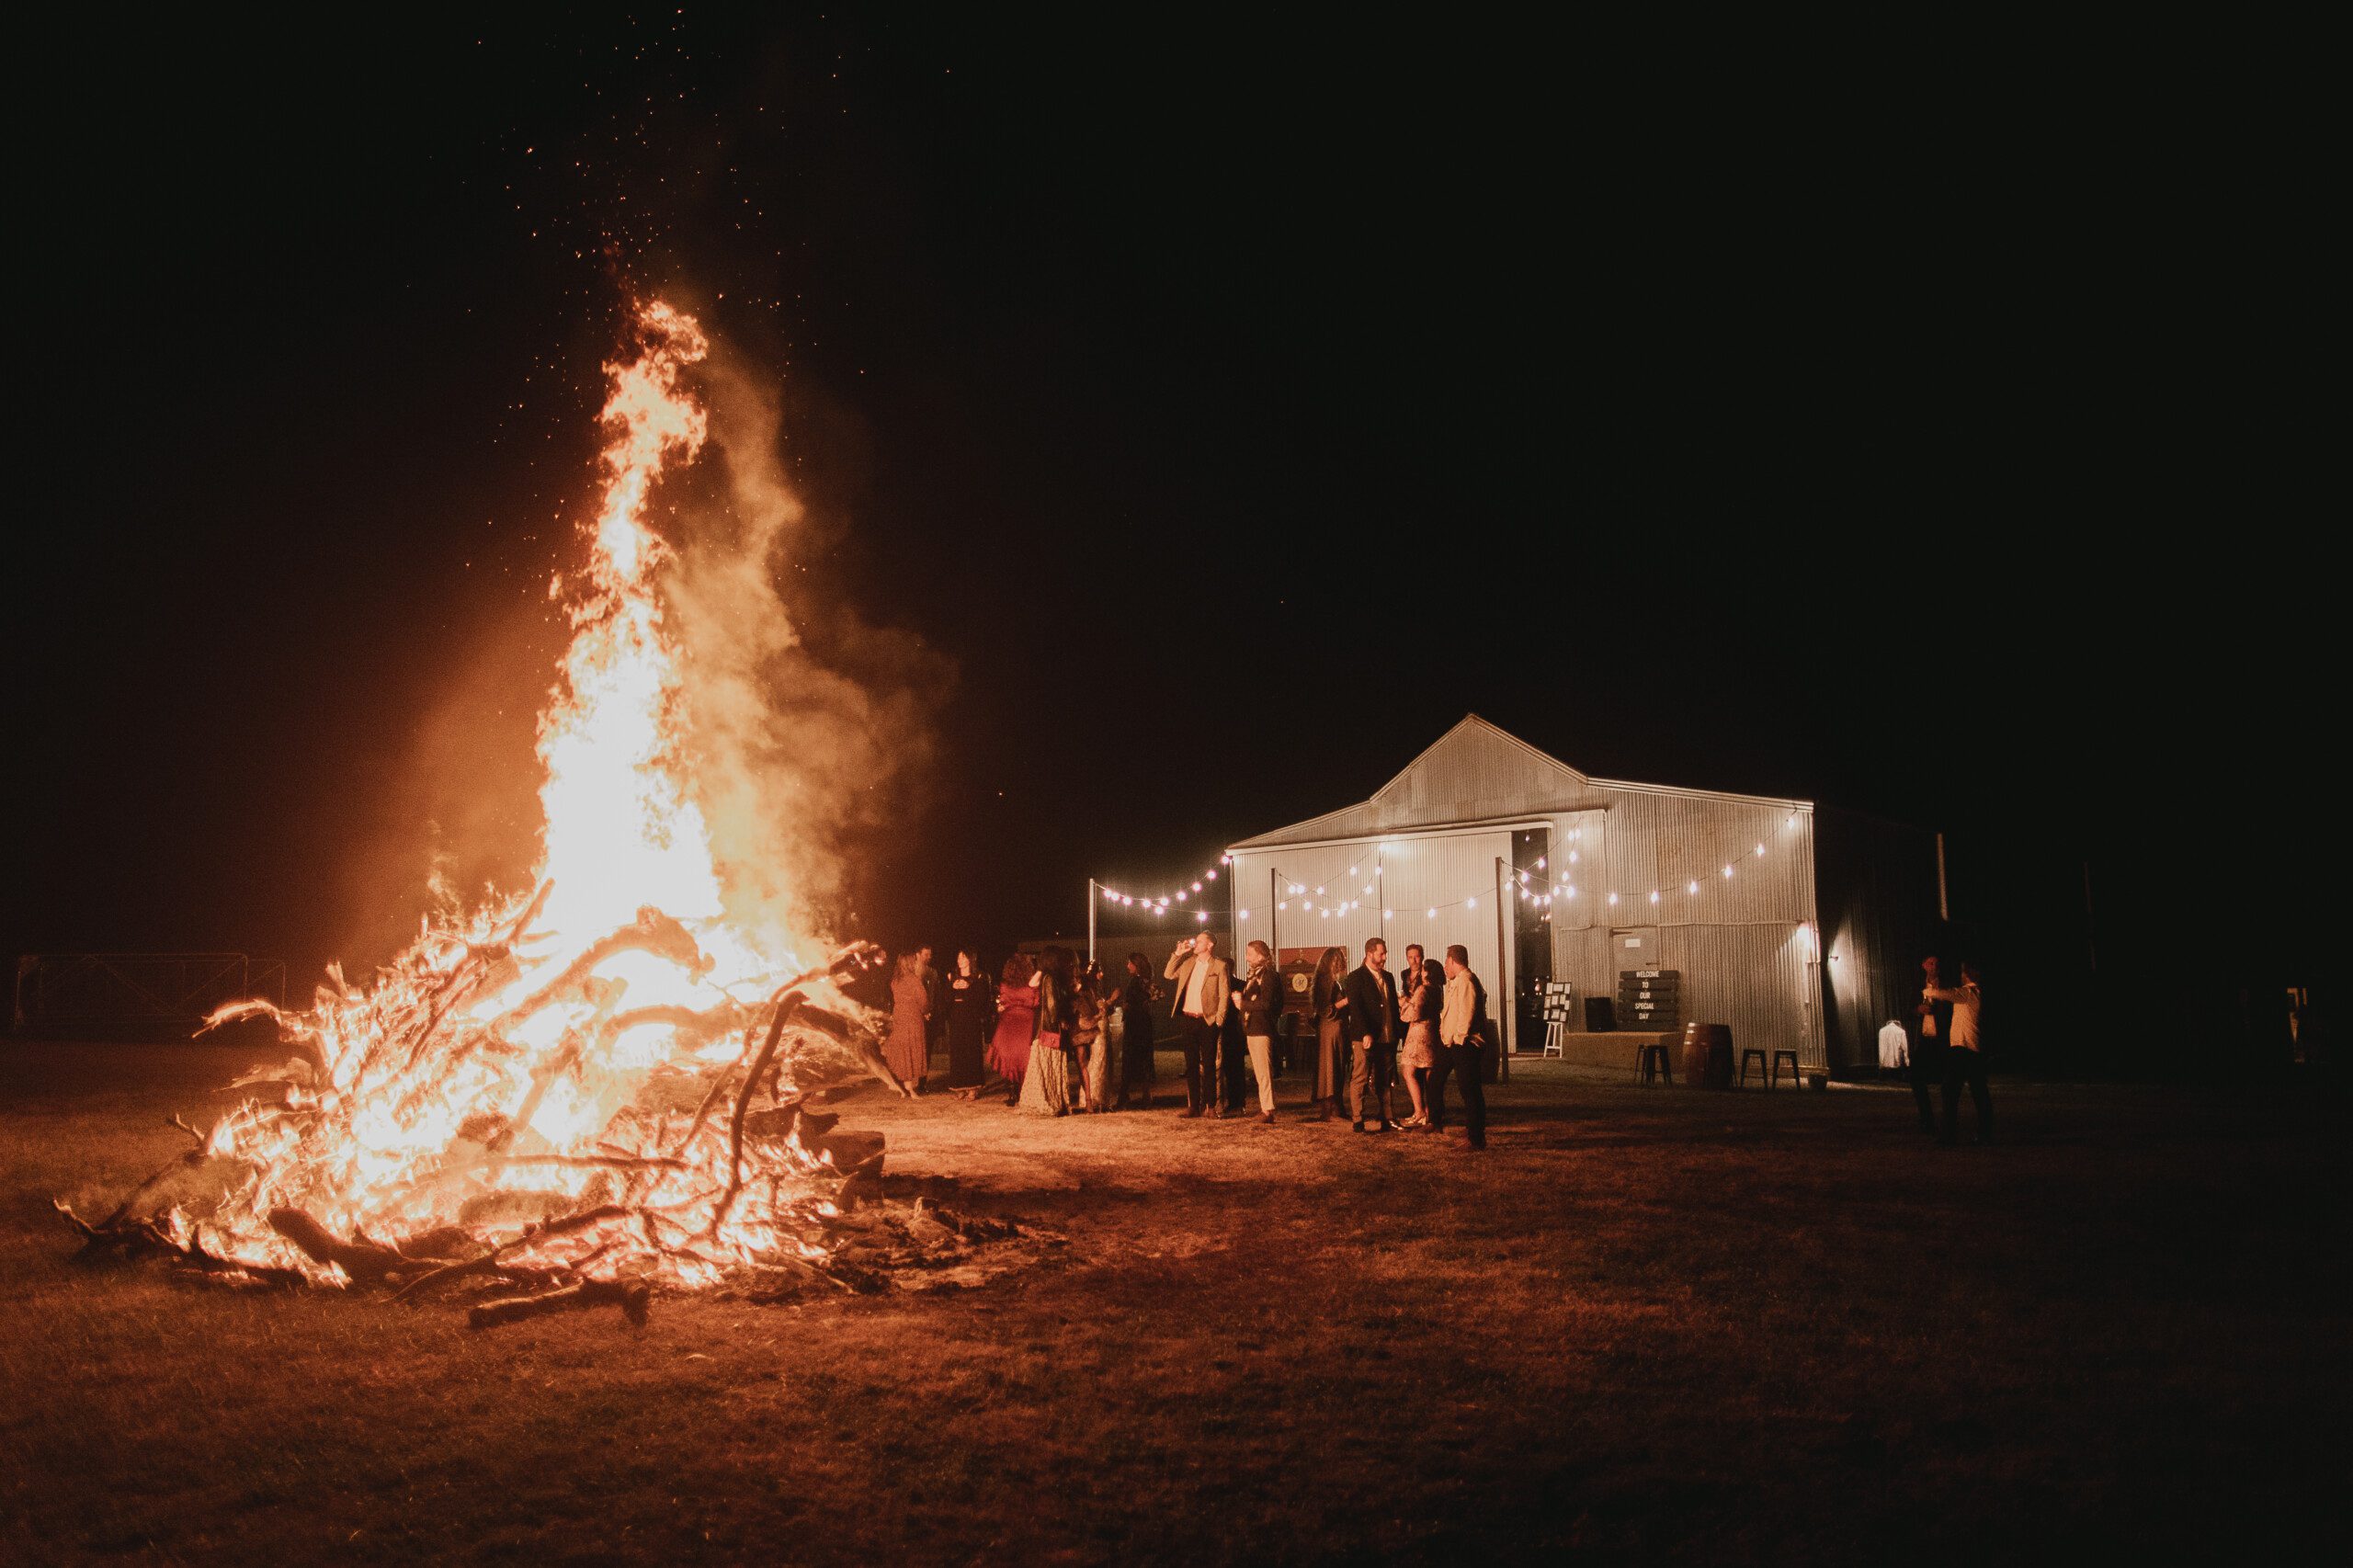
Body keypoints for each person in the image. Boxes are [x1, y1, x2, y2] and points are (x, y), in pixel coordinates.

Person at [1164, 932, 1231, 1119]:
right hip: (1188, 1018)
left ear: (1209, 945)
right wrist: (1178, 954)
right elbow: (1168, 974)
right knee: (1191, 1065)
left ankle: (1210, 1106)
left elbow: (1224, 994)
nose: (1195, 943)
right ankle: (1193, 1106)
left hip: (1207, 1019)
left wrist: (1219, 1020)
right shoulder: (1188, 963)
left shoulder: (1219, 966)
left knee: (1209, 1064)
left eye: (1199, 941)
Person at [1430, 943, 1489, 1150]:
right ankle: (1435, 1121)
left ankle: (1476, 1137)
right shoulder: (1457, 982)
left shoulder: (1466, 982)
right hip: (1451, 1042)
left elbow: (1466, 1013)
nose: (1445, 966)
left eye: (1446, 962)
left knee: (1469, 1089)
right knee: (1436, 1078)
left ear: (1454, 961)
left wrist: (1458, 1038)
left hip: (1463, 1043)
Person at [1925, 961, 1990, 1145]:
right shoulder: (1973, 994)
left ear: (1966, 975)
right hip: (1973, 1050)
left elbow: (1946, 994)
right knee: (1979, 1093)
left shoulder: (1968, 993)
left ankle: (1949, 1135)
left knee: (1950, 1091)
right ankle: (1985, 1134)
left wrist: (1929, 990)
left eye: (1962, 972)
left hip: (1963, 1050)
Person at [1342, 937, 1401, 1132]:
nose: (1384, 957)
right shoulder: (1356, 977)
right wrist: (1365, 1032)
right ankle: (1358, 1118)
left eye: (1385, 953)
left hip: (1387, 1036)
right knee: (1361, 1075)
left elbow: (1392, 1007)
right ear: (1369, 953)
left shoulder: (1389, 977)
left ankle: (1388, 1117)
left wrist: (1397, 1033)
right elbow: (1356, 1009)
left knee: (1385, 1078)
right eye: (1381, 953)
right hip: (1365, 1037)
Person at [1021, 946, 1079, 1116]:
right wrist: (1060, 1019)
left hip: (1042, 1028)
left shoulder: (1048, 978)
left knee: (1042, 1067)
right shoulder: (1051, 979)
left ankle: (1042, 1098)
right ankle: (1050, 1099)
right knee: (1049, 1065)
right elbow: (1053, 1005)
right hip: (1049, 1029)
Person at [1234, 939, 1281, 1123]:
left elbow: (1267, 1003)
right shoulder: (1254, 975)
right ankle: (1265, 1107)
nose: (1247, 958)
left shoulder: (1269, 976)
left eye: (1250, 954)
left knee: (1263, 1071)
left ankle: (1268, 1109)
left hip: (1261, 1028)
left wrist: (1242, 1003)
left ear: (1261, 955)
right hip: (1253, 1027)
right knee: (1260, 1070)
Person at [984, 953, 1040, 1107]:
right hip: (1027, 1023)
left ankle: (1012, 1092)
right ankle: (1023, 1091)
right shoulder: (1032, 985)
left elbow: (1002, 1002)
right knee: (1024, 1058)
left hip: (1008, 1023)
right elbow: (1036, 1003)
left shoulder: (1005, 985)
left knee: (1008, 1058)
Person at [1396, 950, 1440, 1128]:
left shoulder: (1422, 989)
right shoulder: (1436, 989)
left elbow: (1413, 1014)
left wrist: (1404, 1004)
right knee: (1429, 1074)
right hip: (1432, 1032)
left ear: (1427, 973)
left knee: (1408, 1071)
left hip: (1419, 1033)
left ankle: (1419, 1111)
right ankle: (1429, 1113)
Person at [1910, 956, 1951, 1134]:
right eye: (1931, 963)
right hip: (1925, 1039)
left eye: (1937, 963)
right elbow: (1909, 1009)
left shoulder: (1946, 987)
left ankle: (1948, 1120)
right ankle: (1927, 1119)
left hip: (1942, 1040)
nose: (1935, 966)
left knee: (1948, 1082)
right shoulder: (1917, 987)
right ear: (1924, 966)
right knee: (1915, 1077)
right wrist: (1918, 1010)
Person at [1309, 946, 1350, 1120]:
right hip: (1331, 1028)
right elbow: (1326, 1010)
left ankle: (1333, 1107)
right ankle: (1332, 1108)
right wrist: (1347, 1000)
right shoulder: (1327, 982)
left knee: (1333, 1067)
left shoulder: (1327, 980)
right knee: (1331, 1067)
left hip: (1332, 1028)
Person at [943, 949, 993, 1089]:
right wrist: (953, 987)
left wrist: (968, 988)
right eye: (958, 957)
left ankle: (973, 1086)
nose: (959, 960)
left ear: (971, 959)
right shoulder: (951, 976)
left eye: (963, 957)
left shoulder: (979, 976)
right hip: (956, 1018)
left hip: (971, 1018)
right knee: (958, 1051)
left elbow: (983, 999)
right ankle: (958, 1085)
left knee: (972, 1051)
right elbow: (946, 999)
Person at [884, 951, 932, 1091]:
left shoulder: (895, 981)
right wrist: (926, 1011)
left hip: (899, 1016)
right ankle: (912, 1088)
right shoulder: (914, 980)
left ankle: (904, 1086)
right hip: (913, 1017)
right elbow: (923, 1001)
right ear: (910, 963)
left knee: (902, 1050)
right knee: (913, 1050)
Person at [1116, 952, 1156, 1108]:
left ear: (1136, 964)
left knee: (1129, 1060)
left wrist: (1127, 1005)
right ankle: (1146, 1096)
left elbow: (1133, 1001)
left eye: (1129, 963)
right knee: (1144, 1059)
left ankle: (1123, 1097)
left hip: (1135, 1024)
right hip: (1144, 1023)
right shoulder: (1146, 981)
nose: (1127, 966)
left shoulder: (1136, 981)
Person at [1076, 960, 1114, 1112]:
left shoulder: (1098, 988)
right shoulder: (1089, 991)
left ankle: (1103, 1098)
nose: (1102, 974)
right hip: (1097, 1028)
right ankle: (1092, 1097)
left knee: (1105, 1062)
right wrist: (1111, 999)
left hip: (1104, 1027)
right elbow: (1098, 1010)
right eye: (1099, 971)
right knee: (1098, 1060)